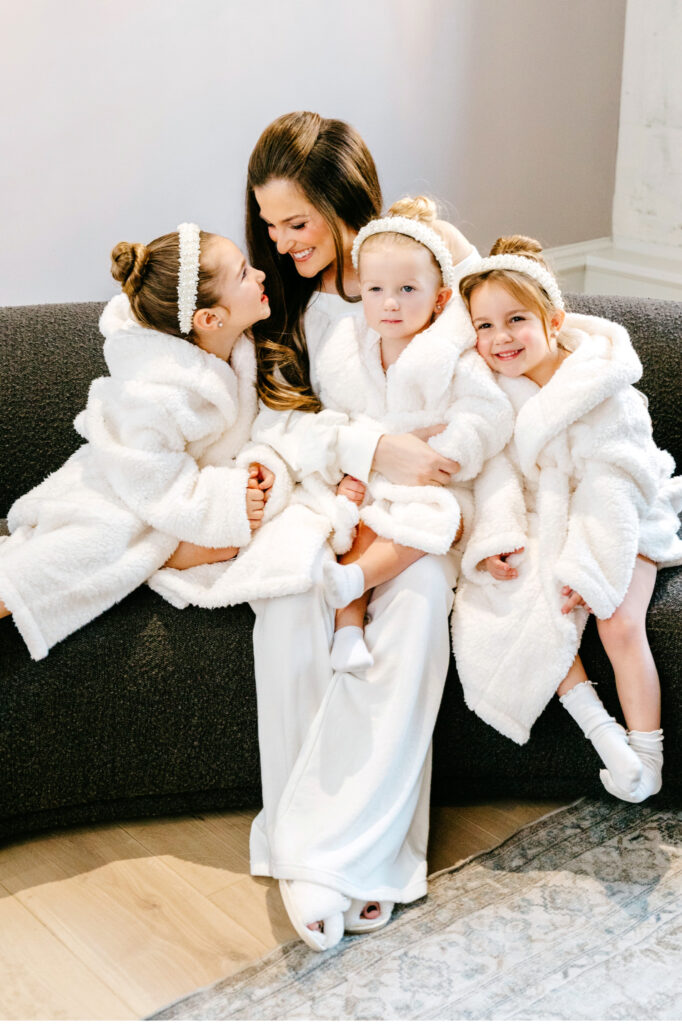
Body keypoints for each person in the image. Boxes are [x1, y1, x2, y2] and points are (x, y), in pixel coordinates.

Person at [244, 111, 482, 951]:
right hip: (340, 489)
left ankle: (364, 854)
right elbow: (276, 425)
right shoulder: (296, 307)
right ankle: (307, 841)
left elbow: (505, 344)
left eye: (297, 223)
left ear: (343, 202)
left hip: (431, 506)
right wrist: (370, 445)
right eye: (269, 225)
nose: (281, 242)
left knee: (413, 602)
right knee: (289, 602)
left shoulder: (427, 259)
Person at [451, 235, 682, 802]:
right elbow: (498, 473)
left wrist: (588, 564)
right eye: (484, 326)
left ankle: (647, 752)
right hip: (544, 519)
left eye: (515, 319)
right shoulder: (494, 390)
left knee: (617, 621)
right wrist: (500, 537)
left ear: (553, 319)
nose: (500, 338)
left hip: (624, 518)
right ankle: (604, 738)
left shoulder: (603, 387)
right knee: (515, 606)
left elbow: (615, 482)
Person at [0, 224, 300, 658]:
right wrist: (222, 500)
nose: (260, 276)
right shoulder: (155, 390)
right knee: (86, 545)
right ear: (210, 319)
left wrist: (258, 463)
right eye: (243, 274)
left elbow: (267, 424)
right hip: (117, 486)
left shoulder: (241, 348)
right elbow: (148, 476)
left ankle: (168, 551)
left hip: (166, 494)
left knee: (216, 540)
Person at [308, 196, 513, 672]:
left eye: (406, 288)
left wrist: (447, 452)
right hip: (373, 481)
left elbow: (488, 414)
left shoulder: (454, 355)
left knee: (428, 523)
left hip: (435, 485)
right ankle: (348, 627)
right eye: (376, 289)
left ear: (440, 298)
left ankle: (354, 582)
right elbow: (329, 418)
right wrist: (356, 461)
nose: (391, 302)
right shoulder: (344, 350)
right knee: (355, 526)